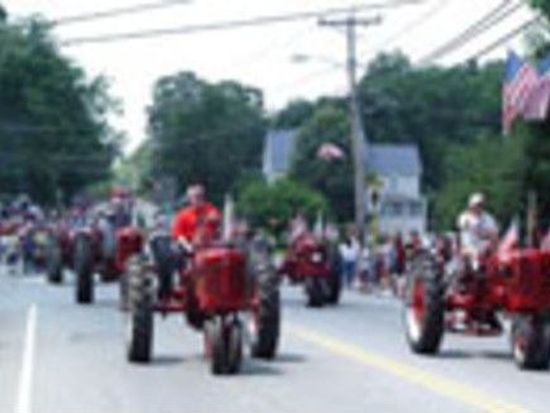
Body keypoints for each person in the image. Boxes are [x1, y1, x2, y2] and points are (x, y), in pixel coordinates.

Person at [171, 184, 221, 252]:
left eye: (201, 196)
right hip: (191, 246)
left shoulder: (210, 208)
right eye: (196, 196)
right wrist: (188, 247)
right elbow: (179, 236)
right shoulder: (182, 215)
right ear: (190, 198)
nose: (199, 199)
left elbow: (216, 218)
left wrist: (208, 219)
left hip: (210, 245)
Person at [457, 192, 499, 263]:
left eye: (481, 204)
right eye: (477, 205)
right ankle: (476, 267)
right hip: (468, 246)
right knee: (475, 253)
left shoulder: (488, 218)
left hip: (482, 245)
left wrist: (493, 243)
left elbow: (494, 234)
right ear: (471, 205)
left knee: (488, 248)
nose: (479, 207)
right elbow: (462, 228)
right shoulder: (464, 217)